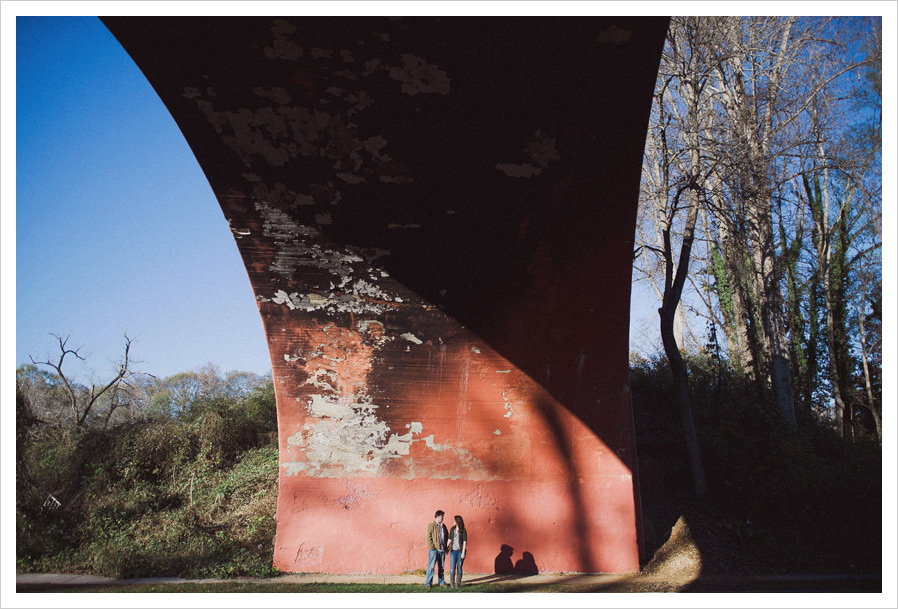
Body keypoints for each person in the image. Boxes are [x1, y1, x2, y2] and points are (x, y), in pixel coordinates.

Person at [424, 510, 449, 588]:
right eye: (442, 516)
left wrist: (446, 548)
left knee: (441, 567)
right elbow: (428, 536)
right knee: (431, 567)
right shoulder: (431, 525)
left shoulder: (443, 526)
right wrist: (432, 547)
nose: (443, 518)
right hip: (434, 550)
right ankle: (428, 583)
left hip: (442, 550)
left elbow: (447, 537)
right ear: (437, 516)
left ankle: (441, 582)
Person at [448, 514, 468, 588]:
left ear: (457, 521)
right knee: (452, 568)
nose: (453, 521)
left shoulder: (463, 530)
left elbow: (464, 542)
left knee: (459, 568)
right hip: (453, 551)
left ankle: (457, 584)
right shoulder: (452, 529)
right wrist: (446, 546)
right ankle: (452, 584)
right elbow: (450, 539)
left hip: (460, 551)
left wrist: (463, 553)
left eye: (454, 520)